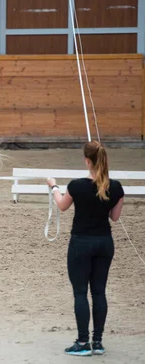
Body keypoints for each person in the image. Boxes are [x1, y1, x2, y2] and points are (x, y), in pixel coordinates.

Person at [46, 141, 124, 356]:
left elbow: (62, 205)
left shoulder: (76, 185)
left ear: (87, 161)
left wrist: (53, 186)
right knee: (99, 291)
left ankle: (82, 343)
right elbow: (115, 218)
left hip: (81, 242)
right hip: (104, 242)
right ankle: (97, 342)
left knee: (80, 292)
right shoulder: (116, 187)